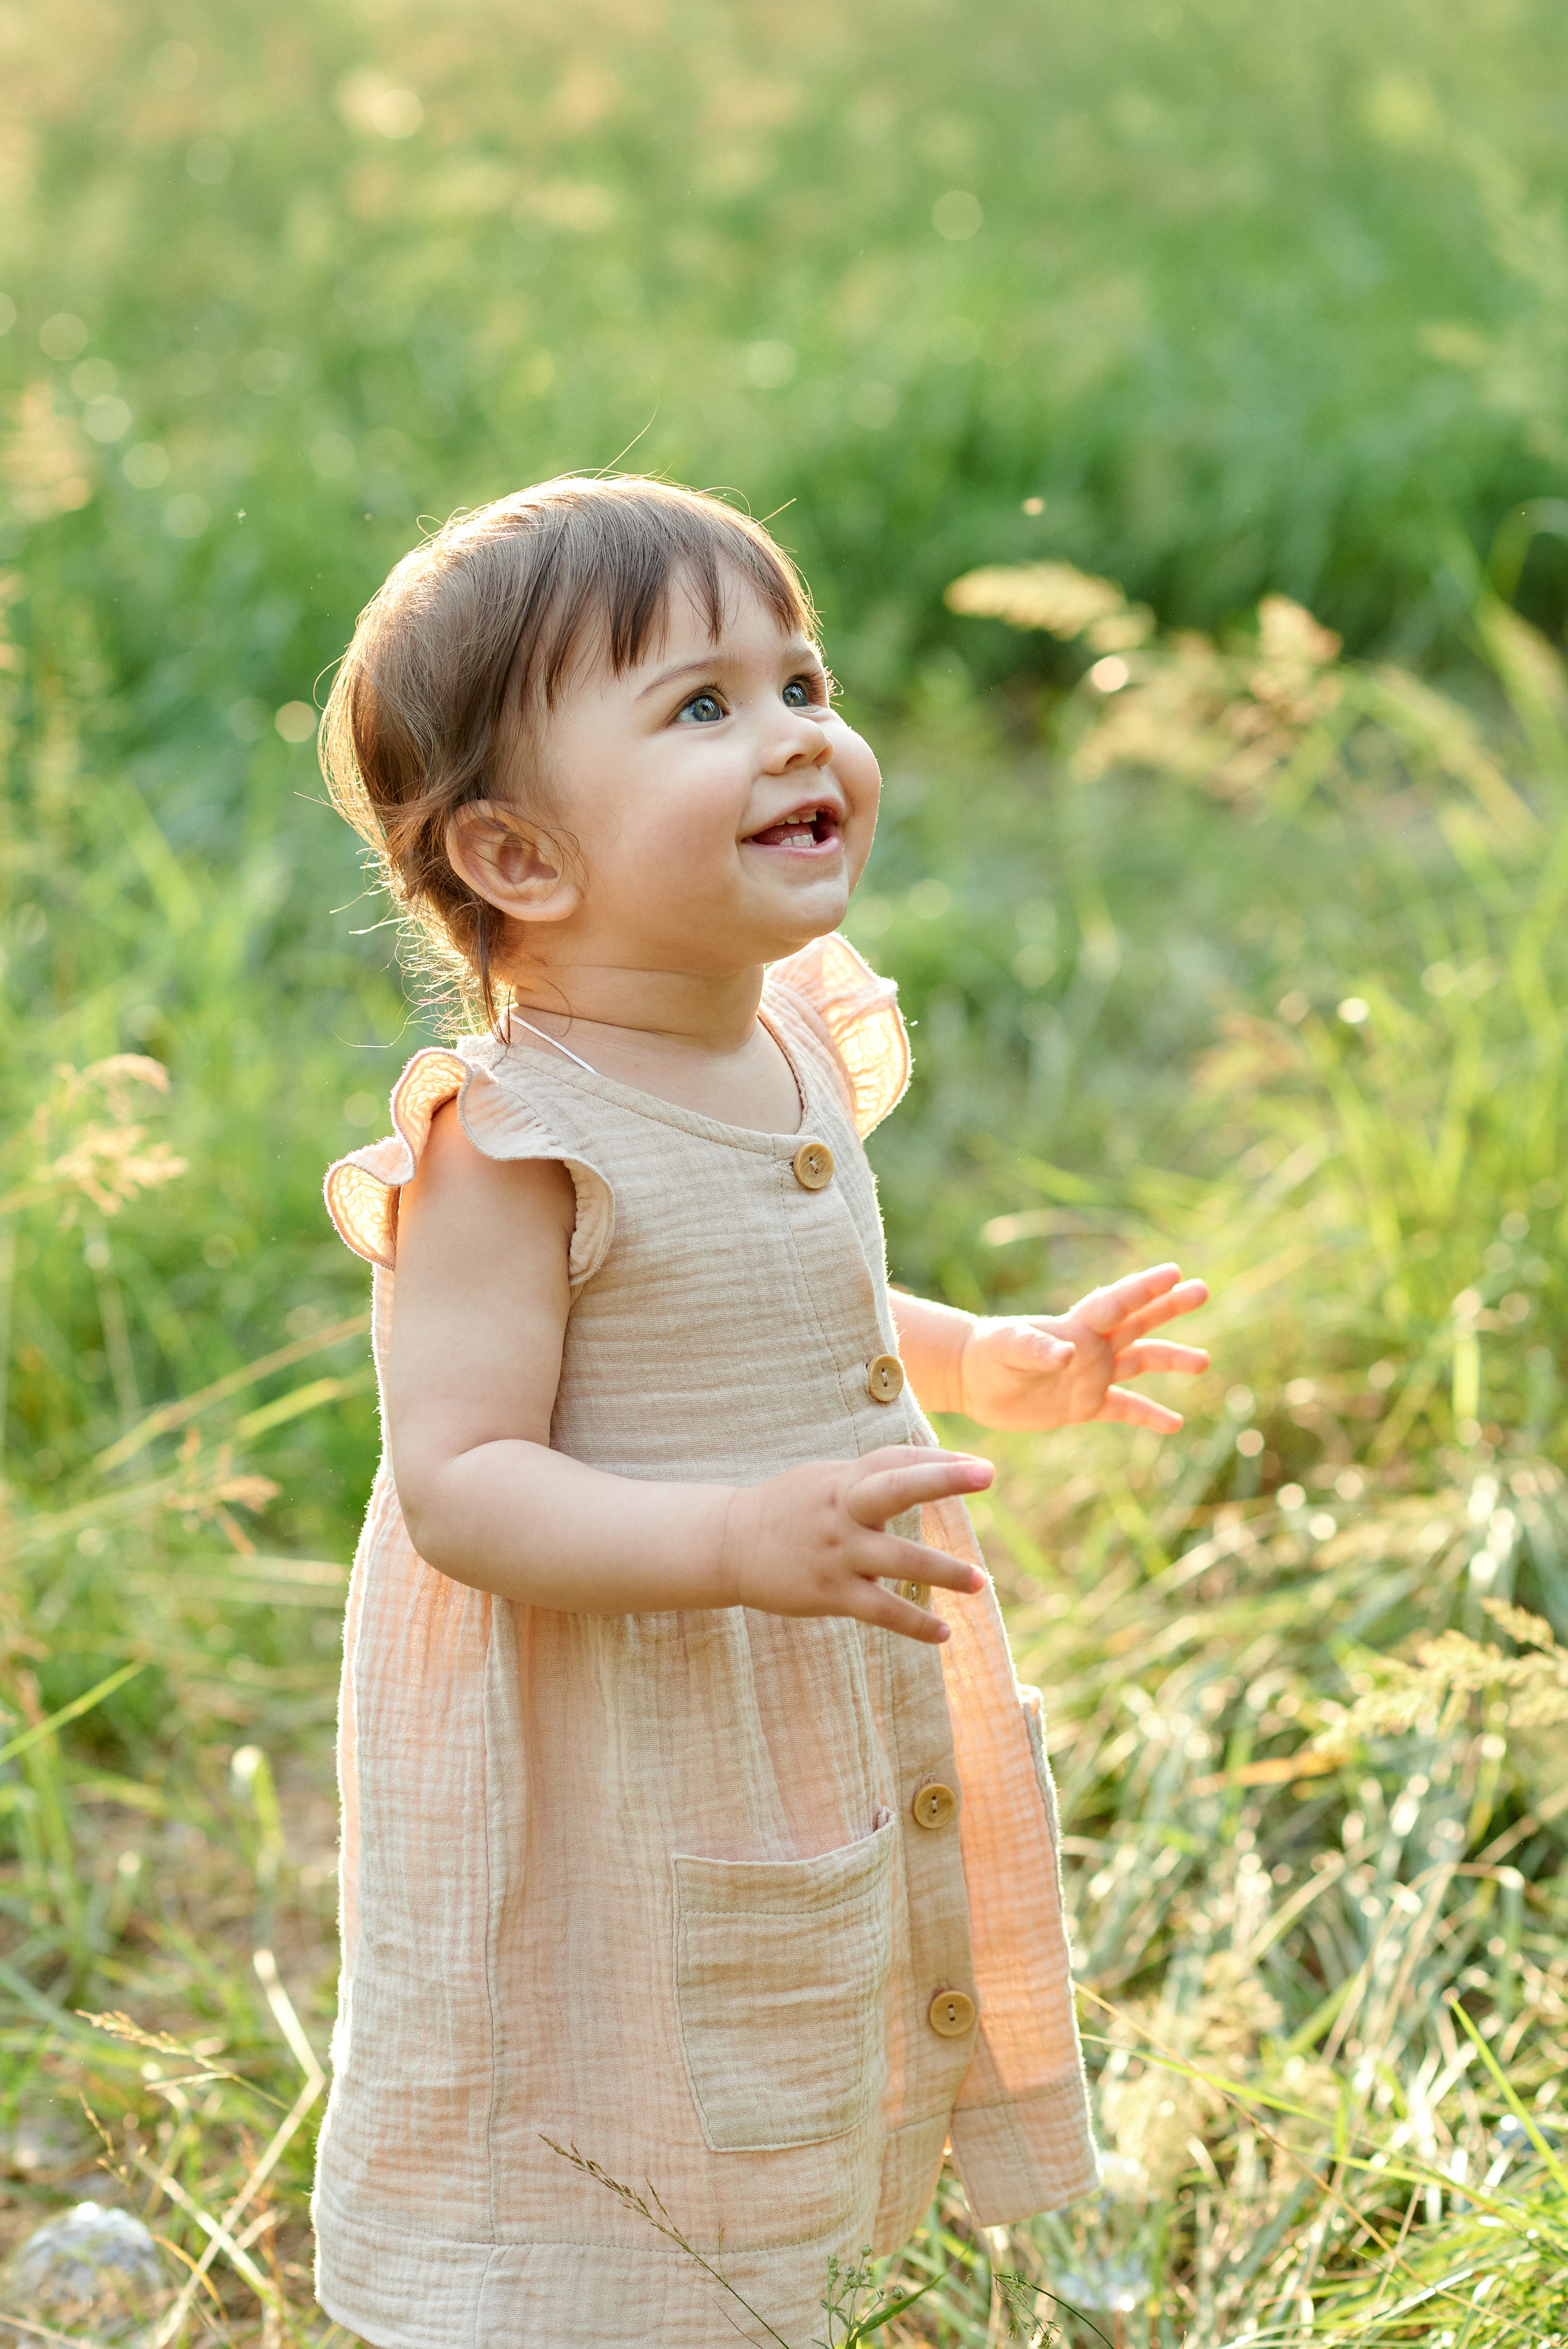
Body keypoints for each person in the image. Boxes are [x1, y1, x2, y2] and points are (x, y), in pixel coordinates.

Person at [315, 475, 1208, 2348]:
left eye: (803, 679)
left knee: (794, 2055)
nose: (799, 731)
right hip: (621, 1719)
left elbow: (776, 1296)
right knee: (627, 2072)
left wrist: (983, 1355)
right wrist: (728, 1534)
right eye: (704, 705)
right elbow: (460, 1480)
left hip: (787, 1671)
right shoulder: (508, 1145)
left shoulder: (783, 1028)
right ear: (518, 856)